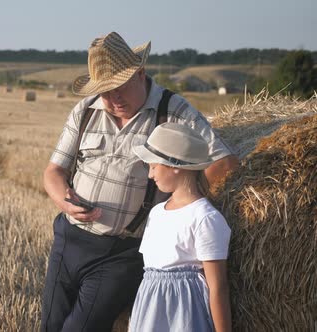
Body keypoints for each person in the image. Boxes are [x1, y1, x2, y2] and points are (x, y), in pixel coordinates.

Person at [41, 31, 238, 331]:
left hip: (119, 254)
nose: (112, 99)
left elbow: (224, 162)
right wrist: (63, 200)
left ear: (141, 73)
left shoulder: (173, 111)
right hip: (68, 240)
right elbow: (53, 171)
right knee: (50, 325)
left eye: (118, 88)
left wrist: (179, 203)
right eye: (105, 91)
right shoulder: (85, 111)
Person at [130, 122, 232, 332]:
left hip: (183, 314)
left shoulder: (205, 218)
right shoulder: (157, 213)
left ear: (175, 166)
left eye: (153, 166)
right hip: (148, 311)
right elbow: (149, 275)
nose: (150, 175)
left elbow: (218, 287)